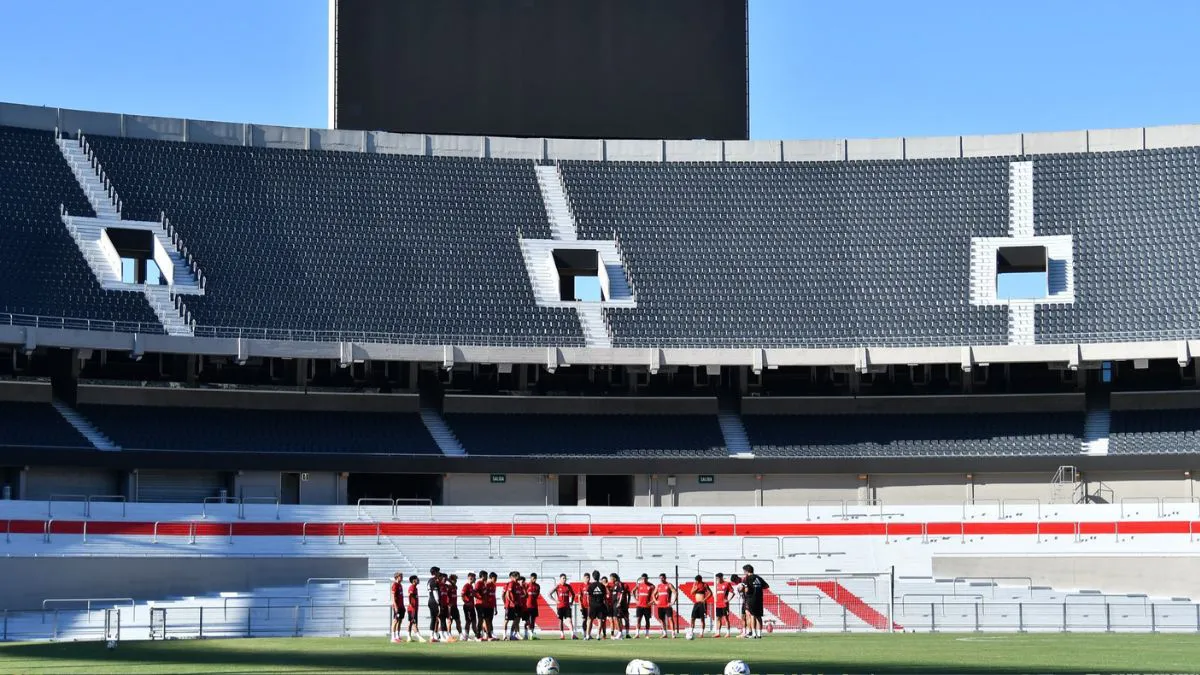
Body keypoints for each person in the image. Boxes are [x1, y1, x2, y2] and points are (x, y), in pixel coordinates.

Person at [742, 564, 769, 639]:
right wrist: (757, 587)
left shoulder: (746, 578)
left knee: (752, 616)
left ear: (746, 571)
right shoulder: (759, 578)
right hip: (759, 599)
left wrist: (745, 591)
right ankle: (759, 634)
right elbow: (766, 586)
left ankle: (754, 634)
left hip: (751, 599)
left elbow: (746, 589)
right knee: (759, 617)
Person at [551, 573, 577, 640]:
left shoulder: (568, 586)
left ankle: (572, 634)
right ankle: (562, 635)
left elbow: (573, 594)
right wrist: (555, 601)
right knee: (561, 621)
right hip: (560, 606)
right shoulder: (557, 586)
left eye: (565, 578)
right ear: (560, 579)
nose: (564, 579)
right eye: (563, 578)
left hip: (567, 606)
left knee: (570, 620)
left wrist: (571, 602)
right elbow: (549, 594)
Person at [586, 570, 608, 640]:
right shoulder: (602, 586)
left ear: (593, 577)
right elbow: (605, 597)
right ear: (599, 577)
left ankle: (587, 635)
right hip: (600, 605)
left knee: (590, 620)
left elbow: (588, 596)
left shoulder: (590, 586)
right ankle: (598, 635)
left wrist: (589, 604)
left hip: (592, 605)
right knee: (600, 620)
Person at [653, 573, 677, 638]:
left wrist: (673, 601)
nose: (661, 579)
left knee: (670, 619)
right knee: (662, 620)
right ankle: (665, 634)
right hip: (660, 606)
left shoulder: (669, 585)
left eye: (662, 578)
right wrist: (655, 601)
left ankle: (673, 634)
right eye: (660, 578)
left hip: (667, 606)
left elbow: (675, 592)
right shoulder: (658, 586)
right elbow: (653, 594)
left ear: (665, 578)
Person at [689, 574, 712, 639]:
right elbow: (692, 593)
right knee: (692, 618)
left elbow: (710, 593)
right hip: (696, 603)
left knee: (702, 619)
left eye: (698, 581)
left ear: (700, 580)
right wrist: (696, 589)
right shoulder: (695, 584)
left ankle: (701, 633)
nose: (697, 582)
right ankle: (691, 631)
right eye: (696, 581)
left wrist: (704, 599)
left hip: (702, 604)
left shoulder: (705, 585)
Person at [714, 572, 734, 638]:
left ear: (721, 577)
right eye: (716, 578)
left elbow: (732, 592)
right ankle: (718, 633)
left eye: (718, 578)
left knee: (726, 618)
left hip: (724, 605)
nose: (717, 579)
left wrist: (728, 600)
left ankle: (728, 633)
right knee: (718, 618)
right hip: (718, 604)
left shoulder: (727, 584)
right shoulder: (717, 585)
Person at [611, 573, 631, 639]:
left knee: (619, 618)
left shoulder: (620, 584)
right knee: (617, 618)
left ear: (615, 578)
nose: (610, 579)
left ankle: (621, 633)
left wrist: (619, 602)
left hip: (619, 605)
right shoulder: (614, 585)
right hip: (615, 604)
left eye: (611, 578)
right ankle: (620, 633)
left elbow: (621, 593)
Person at [406, 574, 425, 642]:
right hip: (412, 609)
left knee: (411, 622)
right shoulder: (412, 587)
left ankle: (409, 637)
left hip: (414, 608)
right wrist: (411, 604)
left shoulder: (415, 588)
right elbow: (409, 595)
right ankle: (419, 637)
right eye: (417, 579)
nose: (418, 580)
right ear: (414, 580)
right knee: (413, 623)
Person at [633, 573, 653, 638]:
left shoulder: (651, 586)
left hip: (647, 606)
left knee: (647, 620)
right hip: (639, 606)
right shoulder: (639, 585)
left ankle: (647, 634)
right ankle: (637, 634)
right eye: (642, 578)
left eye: (645, 578)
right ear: (641, 579)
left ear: (647, 578)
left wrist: (652, 602)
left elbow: (656, 594)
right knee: (638, 619)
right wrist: (635, 600)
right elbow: (632, 591)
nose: (644, 580)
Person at [427, 567, 443, 642]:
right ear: (435, 572)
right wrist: (438, 603)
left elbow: (429, 593)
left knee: (434, 619)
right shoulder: (434, 581)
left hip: (430, 600)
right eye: (438, 572)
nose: (439, 573)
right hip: (434, 601)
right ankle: (431, 637)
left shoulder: (429, 581)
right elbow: (435, 593)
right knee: (434, 619)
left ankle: (433, 636)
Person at [446, 574, 463, 641]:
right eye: (455, 579)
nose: (456, 581)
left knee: (458, 621)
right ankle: (448, 635)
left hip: (455, 607)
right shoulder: (448, 587)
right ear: (451, 580)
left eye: (456, 579)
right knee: (449, 621)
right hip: (449, 607)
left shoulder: (454, 587)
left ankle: (461, 635)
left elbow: (455, 586)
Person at [524, 573, 541, 640]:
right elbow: (524, 594)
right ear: (530, 578)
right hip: (527, 606)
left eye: (535, 578)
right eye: (533, 578)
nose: (534, 579)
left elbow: (537, 595)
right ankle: (526, 635)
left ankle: (532, 634)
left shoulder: (537, 586)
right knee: (527, 621)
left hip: (534, 605)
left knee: (533, 620)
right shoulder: (526, 585)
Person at [390, 572, 406, 644]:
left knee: (399, 621)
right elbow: (393, 597)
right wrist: (395, 606)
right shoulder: (395, 585)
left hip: (401, 606)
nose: (402, 578)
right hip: (397, 606)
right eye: (401, 576)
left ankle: (397, 636)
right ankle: (393, 638)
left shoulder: (400, 585)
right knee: (395, 621)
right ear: (397, 577)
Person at [462, 572, 478, 641]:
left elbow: (474, 595)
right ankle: (466, 636)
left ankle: (477, 635)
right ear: (471, 578)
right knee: (468, 621)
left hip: (472, 607)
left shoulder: (471, 586)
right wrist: (467, 602)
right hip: (467, 607)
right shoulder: (466, 586)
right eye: (474, 577)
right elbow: (462, 595)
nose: (475, 579)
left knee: (474, 621)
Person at [483, 572, 499, 640]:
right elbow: (484, 595)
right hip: (486, 606)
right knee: (486, 621)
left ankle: (489, 634)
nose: (496, 580)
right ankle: (486, 634)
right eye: (494, 578)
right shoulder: (487, 585)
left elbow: (494, 597)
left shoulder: (494, 586)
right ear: (491, 578)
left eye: (496, 578)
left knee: (490, 621)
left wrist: (495, 608)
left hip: (491, 606)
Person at [578, 573, 592, 638]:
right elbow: (579, 597)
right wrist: (580, 605)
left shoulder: (591, 585)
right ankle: (584, 633)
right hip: (584, 606)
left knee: (590, 619)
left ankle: (588, 633)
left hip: (590, 606)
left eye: (588, 577)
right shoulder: (581, 586)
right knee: (584, 619)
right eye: (586, 577)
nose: (587, 579)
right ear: (584, 578)